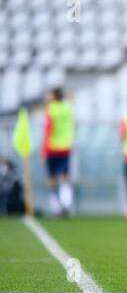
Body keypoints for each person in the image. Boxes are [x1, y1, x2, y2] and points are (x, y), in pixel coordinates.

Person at [41, 88, 75, 217]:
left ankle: (55, 207)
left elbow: (48, 130)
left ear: (54, 97)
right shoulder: (67, 108)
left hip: (52, 147)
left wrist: (44, 150)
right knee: (65, 176)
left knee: (52, 177)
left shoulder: (51, 109)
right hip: (65, 147)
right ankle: (66, 204)